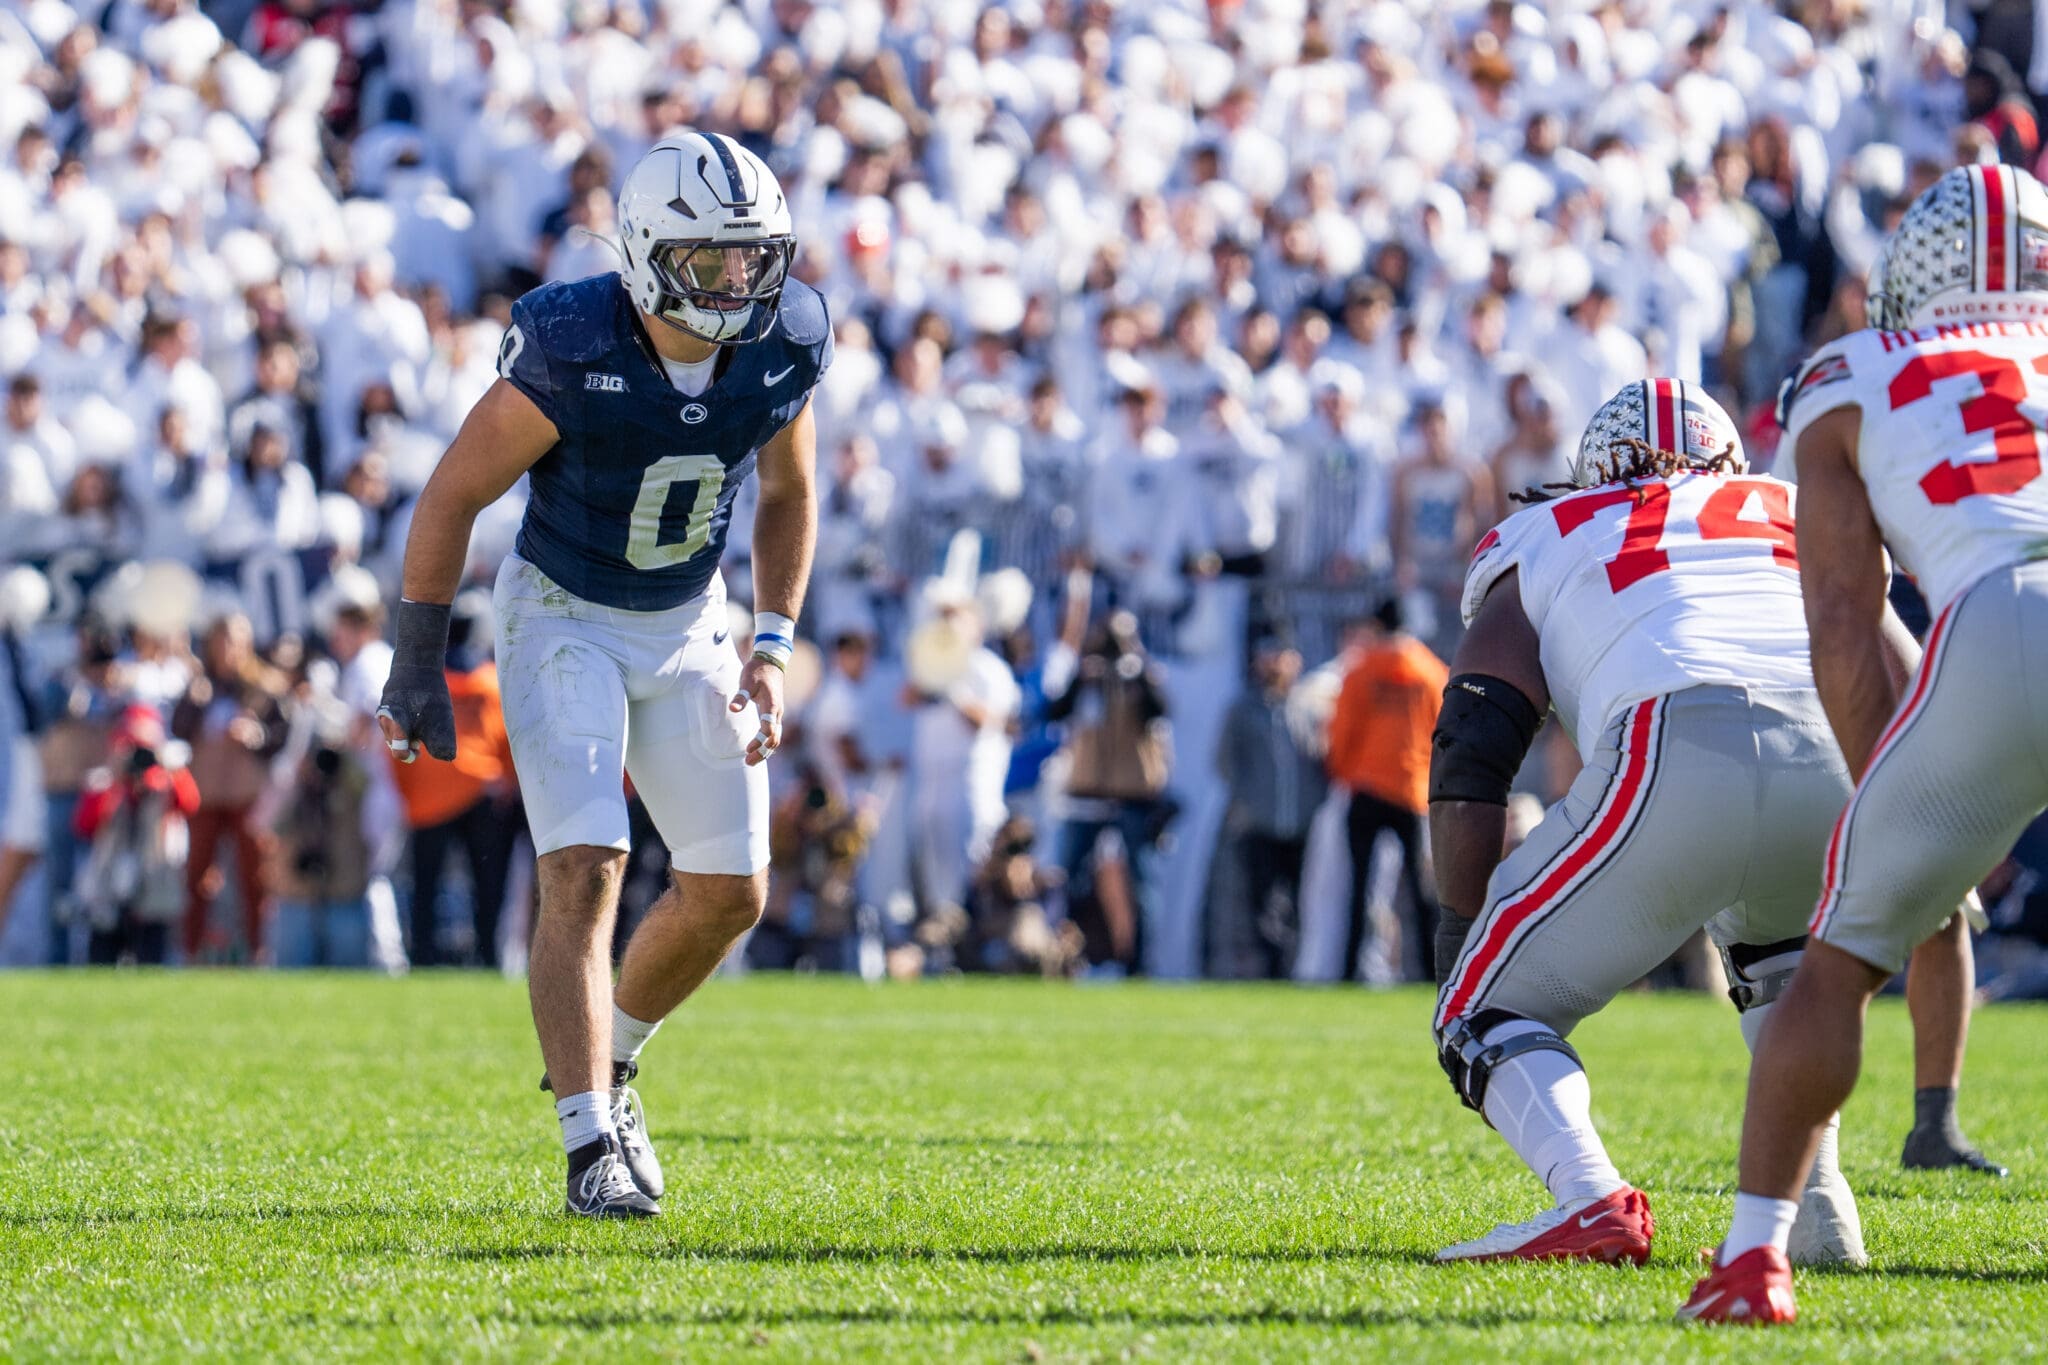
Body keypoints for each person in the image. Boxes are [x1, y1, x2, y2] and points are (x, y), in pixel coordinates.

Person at [375, 132, 827, 1219]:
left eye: (752, 257)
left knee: (730, 895)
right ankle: (587, 1148)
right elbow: (449, 497)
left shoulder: (785, 338)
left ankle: (610, 1068)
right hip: (564, 614)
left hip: (687, 619)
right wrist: (417, 657)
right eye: (713, 259)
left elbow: (786, 494)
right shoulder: (572, 342)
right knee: (586, 863)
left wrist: (772, 644)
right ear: (644, 252)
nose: (739, 281)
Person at [1686, 165, 2048, 1325]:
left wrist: (1902, 819)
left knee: (1836, 956)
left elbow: (1843, 621)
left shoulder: (1848, 375)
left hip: (2000, 617)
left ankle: (1752, 1261)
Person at [1431, 380, 1871, 1270]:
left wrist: (1461, 920)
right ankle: (1819, 1217)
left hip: (1680, 733)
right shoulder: (1784, 506)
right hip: (1837, 748)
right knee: (1785, 977)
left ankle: (1591, 1197)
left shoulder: (1552, 527)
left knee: (1482, 1005)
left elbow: (1473, 747)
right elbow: (1874, 635)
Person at [1325, 599, 1446, 983]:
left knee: (1358, 888)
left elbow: (1342, 730)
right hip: (1412, 791)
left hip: (1366, 788)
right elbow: (1444, 733)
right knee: (1421, 891)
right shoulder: (1431, 672)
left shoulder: (1362, 670)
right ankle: (1433, 975)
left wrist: (1344, 772)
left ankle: (1349, 972)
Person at [1214, 633, 1324, 978]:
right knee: (1262, 906)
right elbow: (1226, 763)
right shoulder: (1244, 710)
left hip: (1301, 825)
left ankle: (1294, 968)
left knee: (1301, 903)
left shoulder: (1308, 709)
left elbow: (1320, 764)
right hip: (1259, 824)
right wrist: (1248, 805)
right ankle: (1270, 970)